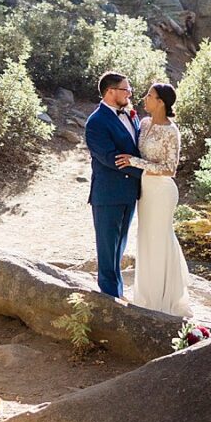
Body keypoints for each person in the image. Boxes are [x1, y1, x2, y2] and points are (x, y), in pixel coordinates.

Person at [117, 81, 190, 316]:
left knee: (160, 239)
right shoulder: (145, 122)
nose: (144, 97)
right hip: (146, 190)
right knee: (146, 240)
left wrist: (134, 162)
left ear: (161, 102)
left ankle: (167, 299)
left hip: (162, 190)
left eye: (150, 95)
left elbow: (170, 168)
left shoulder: (171, 131)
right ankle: (146, 297)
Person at [83, 70, 143, 298]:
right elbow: (111, 158)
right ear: (110, 92)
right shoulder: (96, 122)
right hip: (107, 194)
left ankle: (116, 294)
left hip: (129, 193)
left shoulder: (131, 115)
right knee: (107, 250)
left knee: (120, 247)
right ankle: (110, 299)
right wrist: (146, 172)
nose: (130, 93)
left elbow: (135, 150)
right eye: (125, 89)